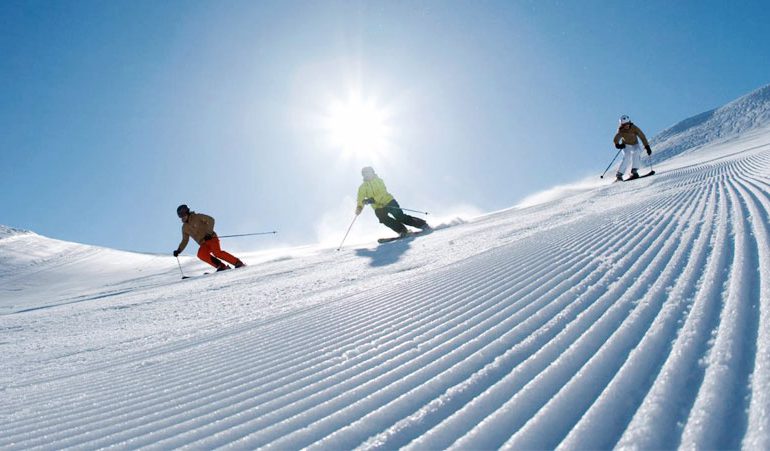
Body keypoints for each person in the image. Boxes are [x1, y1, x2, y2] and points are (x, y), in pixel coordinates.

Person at [355, 166, 431, 237]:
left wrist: (372, 199)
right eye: (365, 174)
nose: (367, 175)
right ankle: (402, 230)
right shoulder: (362, 187)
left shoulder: (378, 180)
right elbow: (360, 199)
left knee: (400, 217)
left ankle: (422, 225)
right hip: (378, 207)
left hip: (389, 201)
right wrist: (359, 207)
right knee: (383, 218)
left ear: (372, 172)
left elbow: (383, 192)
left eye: (368, 173)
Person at [173, 204, 245, 271]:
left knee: (217, 253)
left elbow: (211, 220)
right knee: (201, 254)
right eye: (180, 216)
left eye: (183, 214)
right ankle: (222, 266)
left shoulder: (197, 217)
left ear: (187, 212)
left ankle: (237, 262)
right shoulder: (185, 227)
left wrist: (209, 233)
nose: (182, 217)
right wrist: (179, 250)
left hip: (211, 238)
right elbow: (185, 240)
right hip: (203, 243)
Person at [613, 115, 652, 181]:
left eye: (628, 123)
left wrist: (647, 146)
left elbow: (642, 136)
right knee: (627, 156)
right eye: (625, 124)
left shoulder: (634, 128)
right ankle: (619, 175)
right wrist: (618, 145)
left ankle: (634, 171)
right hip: (626, 145)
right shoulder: (620, 130)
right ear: (622, 125)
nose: (627, 125)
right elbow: (615, 139)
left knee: (637, 151)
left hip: (635, 144)